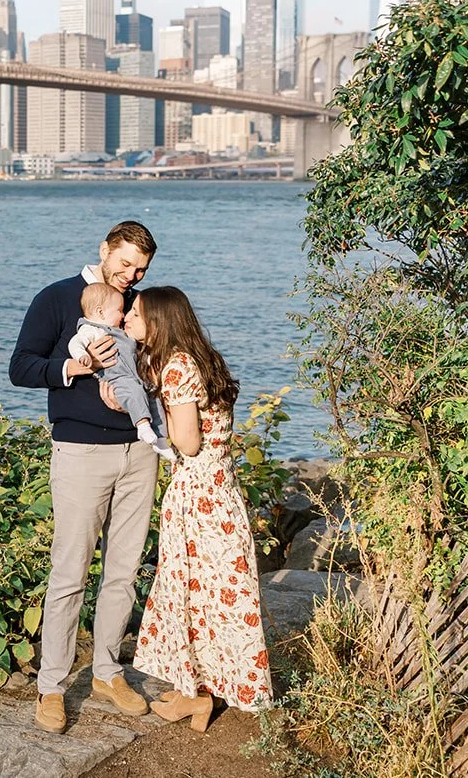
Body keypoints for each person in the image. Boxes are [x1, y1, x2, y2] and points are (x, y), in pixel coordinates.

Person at [9, 220, 159, 735]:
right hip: (79, 452)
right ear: (104, 250)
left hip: (139, 454)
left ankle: (107, 672)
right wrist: (75, 367)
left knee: (123, 570)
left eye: (140, 268)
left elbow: (159, 364)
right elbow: (21, 367)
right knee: (69, 573)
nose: (130, 275)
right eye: (124, 264)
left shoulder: (139, 307)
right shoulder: (56, 298)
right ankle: (51, 686)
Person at [124, 286, 271, 731]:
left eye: (135, 312)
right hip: (221, 490)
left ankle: (197, 697)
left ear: (159, 321)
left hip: (197, 497)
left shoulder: (176, 368)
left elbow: (187, 441)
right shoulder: (202, 358)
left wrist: (157, 417)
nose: (128, 316)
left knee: (191, 591)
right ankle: (198, 692)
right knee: (210, 594)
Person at [67, 283, 173, 461]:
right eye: (120, 311)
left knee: (153, 397)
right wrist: (82, 356)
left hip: (135, 374)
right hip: (117, 377)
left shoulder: (121, 332)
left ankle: (161, 439)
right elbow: (75, 343)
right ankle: (143, 426)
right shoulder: (92, 329)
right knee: (133, 391)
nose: (124, 316)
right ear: (101, 312)